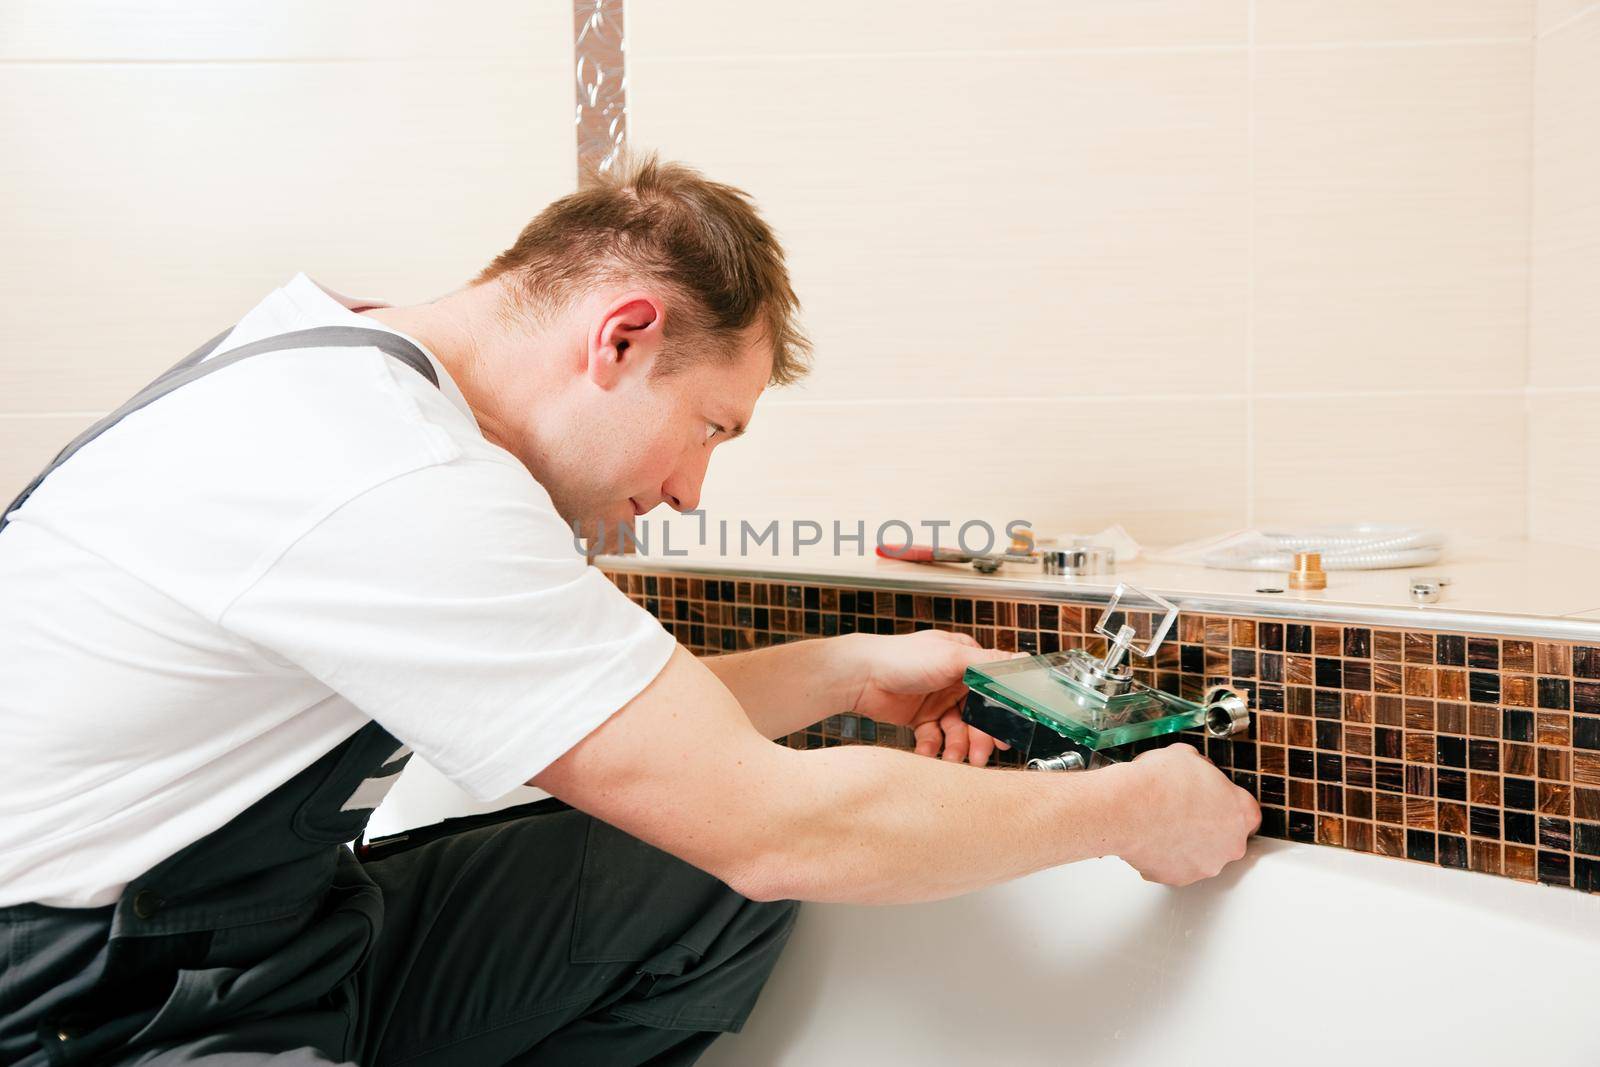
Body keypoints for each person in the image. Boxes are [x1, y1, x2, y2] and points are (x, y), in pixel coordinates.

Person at [0, 155, 1259, 1066]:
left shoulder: (347, 374)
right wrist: (1132, 806)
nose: (687, 487)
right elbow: (775, 830)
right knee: (748, 849)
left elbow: (620, 722)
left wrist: (851, 667)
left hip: (261, 931)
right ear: (620, 336)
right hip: (95, 1005)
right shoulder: (395, 476)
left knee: (688, 876)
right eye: (708, 425)